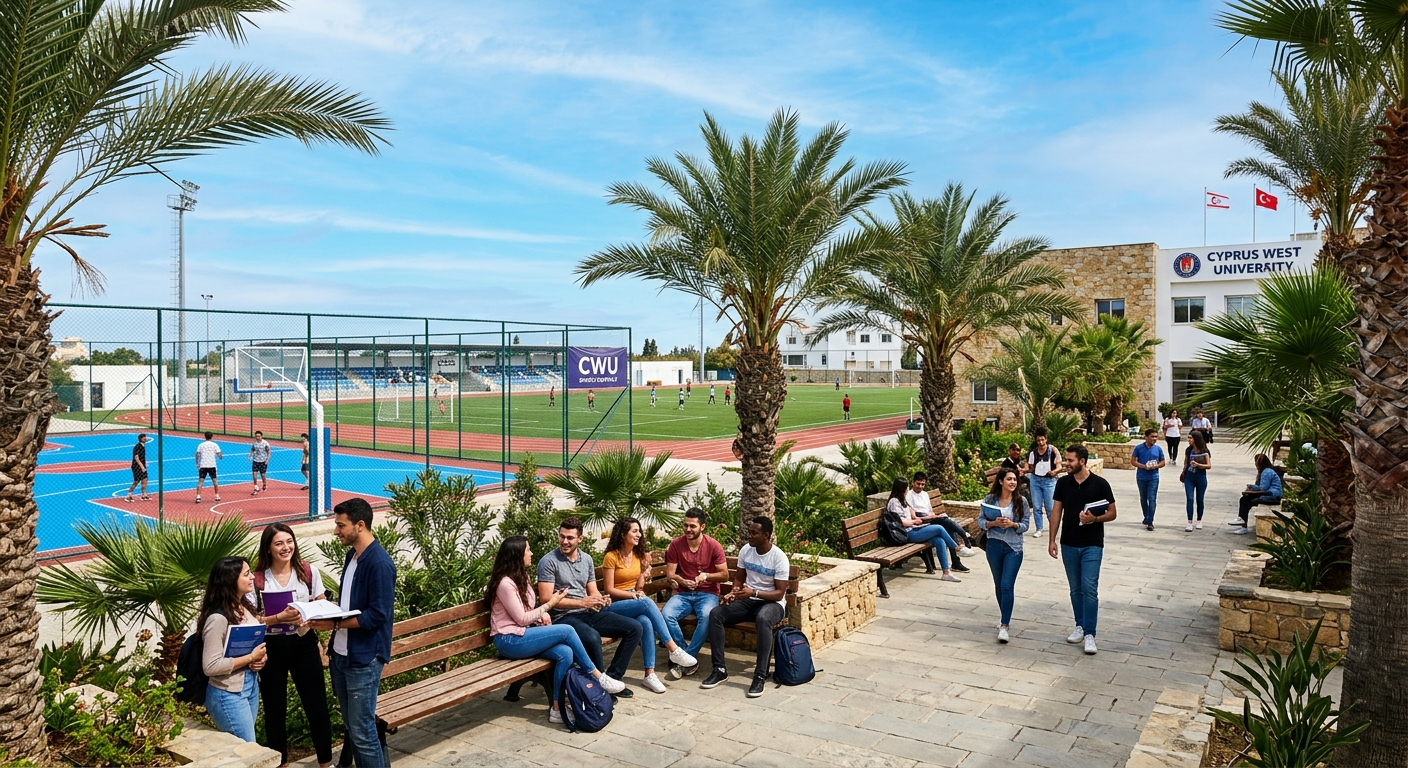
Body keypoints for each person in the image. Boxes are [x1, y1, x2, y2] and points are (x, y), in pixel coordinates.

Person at [489, 537, 625, 726]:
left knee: (565, 652)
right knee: (567, 630)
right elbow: (520, 619)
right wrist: (550, 604)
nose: (531, 553)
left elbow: (526, 611)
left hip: (523, 635)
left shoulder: (522, 577)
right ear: (517, 555)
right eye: (528, 550)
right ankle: (598, 676)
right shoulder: (505, 584)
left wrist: (540, 616)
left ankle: (556, 708)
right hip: (509, 640)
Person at [302, 498, 395, 768]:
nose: (336, 531)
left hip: (363, 659)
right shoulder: (352, 555)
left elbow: (378, 615)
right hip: (342, 655)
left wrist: (334, 624)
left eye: (341, 525)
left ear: (360, 525)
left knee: (363, 732)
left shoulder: (379, 564)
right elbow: (351, 606)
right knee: (353, 727)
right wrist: (326, 610)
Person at [253, 524, 332, 768]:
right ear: (268, 547)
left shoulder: (308, 572)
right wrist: (276, 618)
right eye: (279, 543)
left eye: (289, 541)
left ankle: (325, 762)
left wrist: (312, 615)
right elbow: (250, 620)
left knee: (316, 705)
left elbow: (322, 604)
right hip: (272, 647)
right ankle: (281, 763)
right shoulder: (257, 580)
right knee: (275, 709)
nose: (286, 547)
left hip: (303, 642)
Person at [538, 517, 641, 696]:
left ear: (580, 539)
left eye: (570, 538)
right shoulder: (549, 562)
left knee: (635, 628)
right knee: (593, 638)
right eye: (562, 536)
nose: (564, 541)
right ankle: (598, 689)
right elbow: (546, 600)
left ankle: (612, 678)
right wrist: (581, 602)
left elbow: (593, 591)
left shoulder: (586, 559)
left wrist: (601, 599)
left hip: (588, 612)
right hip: (563, 618)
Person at [601, 518, 699, 692]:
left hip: (633, 601)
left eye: (639, 531)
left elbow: (639, 588)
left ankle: (649, 674)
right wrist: (633, 596)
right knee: (646, 602)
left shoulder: (638, 556)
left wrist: (644, 574)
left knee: (645, 622)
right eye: (634, 531)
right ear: (623, 534)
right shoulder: (611, 556)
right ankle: (673, 648)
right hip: (614, 606)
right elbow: (609, 589)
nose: (639, 534)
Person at [701, 517, 791, 698]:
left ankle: (760, 676)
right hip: (748, 599)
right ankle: (719, 669)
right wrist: (733, 592)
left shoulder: (778, 557)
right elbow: (739, 579)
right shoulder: (746, 551)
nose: (749, 536)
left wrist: (754, 593)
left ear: (766, 535)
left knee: (763, 618)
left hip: (772, 603)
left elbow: (780, 594)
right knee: (716, 614)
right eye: (749, 532)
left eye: (754, 533)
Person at [1048, 444, 1117, 655]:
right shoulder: (1063, 483)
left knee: (1089, 588)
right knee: (1075, 589)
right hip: (1069, 543)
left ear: (1082, 461)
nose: (1066, 464)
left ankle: (1090, 634)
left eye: (1070, 460)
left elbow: (1113, 513)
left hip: (1092, 543)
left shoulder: (1100, 484)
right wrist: (1052, 540)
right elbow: (1056, 512)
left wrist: (1094, 518)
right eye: (1066, 460)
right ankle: (1079, 625)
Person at [197, 556, 267, 742]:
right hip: (227, 693)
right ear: (230, 581)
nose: (252, 577)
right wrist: (251, 657)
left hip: (250, 686)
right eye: (246, 574)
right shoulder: (217, 619)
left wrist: (260, 659)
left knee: (247, 749)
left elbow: (254, 647)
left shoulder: (244, 607)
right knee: (249, 751)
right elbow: (210, 666)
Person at [663, 508, 730, 679]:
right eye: (685, 525)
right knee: (666, 614)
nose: (687, 529)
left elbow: (725, 575)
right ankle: (684, 654)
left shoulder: (713, 545)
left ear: (703, 527)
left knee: (708, 616)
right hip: (683, 593)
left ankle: (688, 657)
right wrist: (681, 580)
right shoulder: (676, 545)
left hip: (708, 594)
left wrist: (705, 576)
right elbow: (671, 574)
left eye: (692, 526)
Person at [979, 468, 1030, 644]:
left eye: (1014, 479)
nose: (1013, 482)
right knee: (999, 585)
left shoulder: (1020, 501)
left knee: (1007, 585)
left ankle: (1004, 625)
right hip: (993, 545)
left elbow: (1025, 525)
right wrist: (993, 523)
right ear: (1001, 481)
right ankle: (1004, 616)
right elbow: (980, 522)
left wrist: (1012, 524)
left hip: (1013, 548)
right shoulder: (989, 500)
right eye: (1009, 479)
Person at [886, 477, 963, 581]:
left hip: (914, 529)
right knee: (939, 528)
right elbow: (900, 522)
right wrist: (914, 522)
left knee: (940, 541)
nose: (908, 490)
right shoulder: (894, 502)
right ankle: (956, 548)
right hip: (907, 533)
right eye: (907, 488)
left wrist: (914, 515)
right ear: (901, 489)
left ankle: (946, 572)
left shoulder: (902, 500)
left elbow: (910, 513)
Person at [906, 472, 976, 573]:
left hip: (930, 520)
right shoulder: (909, 495)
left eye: (923, 484)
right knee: (943, 524)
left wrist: (934, 516)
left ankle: (956, 562)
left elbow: (930, 510)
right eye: (918, 484)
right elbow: (914, 516)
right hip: (920, 523)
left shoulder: (925, 494)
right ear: (913, 482)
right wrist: (932, 516)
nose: (920, 486)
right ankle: (964, 537)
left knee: (950, 530)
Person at [1230, 453, 1284, 534]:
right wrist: (1251, 488)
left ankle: (1242, 522)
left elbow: (1263, 488)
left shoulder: (1266, 472)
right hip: (1268, 493)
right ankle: (1242, 521)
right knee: (1244, 499)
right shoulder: (1265, 471)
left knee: (1247, 501)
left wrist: (1251, 489)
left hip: (1272, 495)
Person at [1025, 427, 1061, 538]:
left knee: (1050, 507)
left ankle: (1053, 527)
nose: (1041, 442)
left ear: (1046, 439)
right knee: (1036, 506)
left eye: (1042, 440)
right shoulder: (1033, 453)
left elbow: (1059, 466)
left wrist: (1054, 471)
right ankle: (1039, 528)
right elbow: (1030, 467)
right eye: (1038, 440)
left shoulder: (1053, 451)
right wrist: (1023, 470)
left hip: (1049, 481)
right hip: (1035, 480)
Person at [1131, 429, 1167, 531]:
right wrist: (1143, 466)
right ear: (1146, 437)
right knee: (1143, 498)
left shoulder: (1158, 449)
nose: (1154, 439)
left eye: (1156, 437)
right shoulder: (1138, 448)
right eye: (1152, 436)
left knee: (1152, 498)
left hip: (1153, 477)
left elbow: (1163, 462)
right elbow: (1133, 461)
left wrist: (1156, 466)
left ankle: (1150, 521)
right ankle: (1146, 516)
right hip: (1141, 477)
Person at [1182, 431, 1213, 532]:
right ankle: (1189, 522)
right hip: (1189, 477)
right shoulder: (1188, 450)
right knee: (1190, 499)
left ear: (1196, 439)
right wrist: (1183, 473)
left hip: (1200, 477)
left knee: (1200, 499)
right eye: (1188, 438)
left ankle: (1199, 520)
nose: (1189, 440)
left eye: (1191, 438)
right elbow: (1186, 463)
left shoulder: (1204, 450)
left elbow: (1209, 465)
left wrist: (1198, 465)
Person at [195, 431, 222, 503]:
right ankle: (216, 495)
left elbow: (197, 454)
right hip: (212, 465)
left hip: (203, 465)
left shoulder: (201, 445)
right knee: (215, 481)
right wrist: (220, 456)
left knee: (201, 481)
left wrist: (197, 463)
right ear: (211, 437)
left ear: (205, 436)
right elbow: (219, 455)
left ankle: (198, 496)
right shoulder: (215, 445)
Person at [125, 433, 149, 501]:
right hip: (137, 466)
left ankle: (144, 494)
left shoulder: (142, 446)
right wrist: (142, 467)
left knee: (145, 479)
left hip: (142, 466)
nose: (146, 438)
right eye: (144, 437)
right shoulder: (137, 447)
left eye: (145, 437)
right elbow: (136, 458)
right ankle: (129, 495)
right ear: (141, 439)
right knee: (137, 481)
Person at [249, 431, 271, 496]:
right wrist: (250, 455)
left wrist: (267, 460)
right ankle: (256, 487)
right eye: (256, 436)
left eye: (259, 436)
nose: (257, 437)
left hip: (263, 461)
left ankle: (264, 484)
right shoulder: (255, 443)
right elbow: (252, 449)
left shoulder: (265, 443)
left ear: (262, 436)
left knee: (263, 475)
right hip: (255, 461)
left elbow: (269, 452)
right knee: (254, 474)